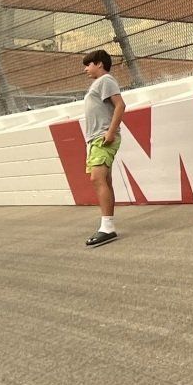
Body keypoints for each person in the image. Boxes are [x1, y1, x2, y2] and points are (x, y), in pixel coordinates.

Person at [80, 50, 125, 247]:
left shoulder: (106, 80)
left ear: (99, 64)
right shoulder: (98, 84)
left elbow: (120, 105)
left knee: (97, 179)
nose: (85, 69)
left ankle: (107, 228)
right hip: (95, 140)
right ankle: (108, 225)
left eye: (88, 65)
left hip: (102, 138)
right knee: (104, 180)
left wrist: (111, 132)